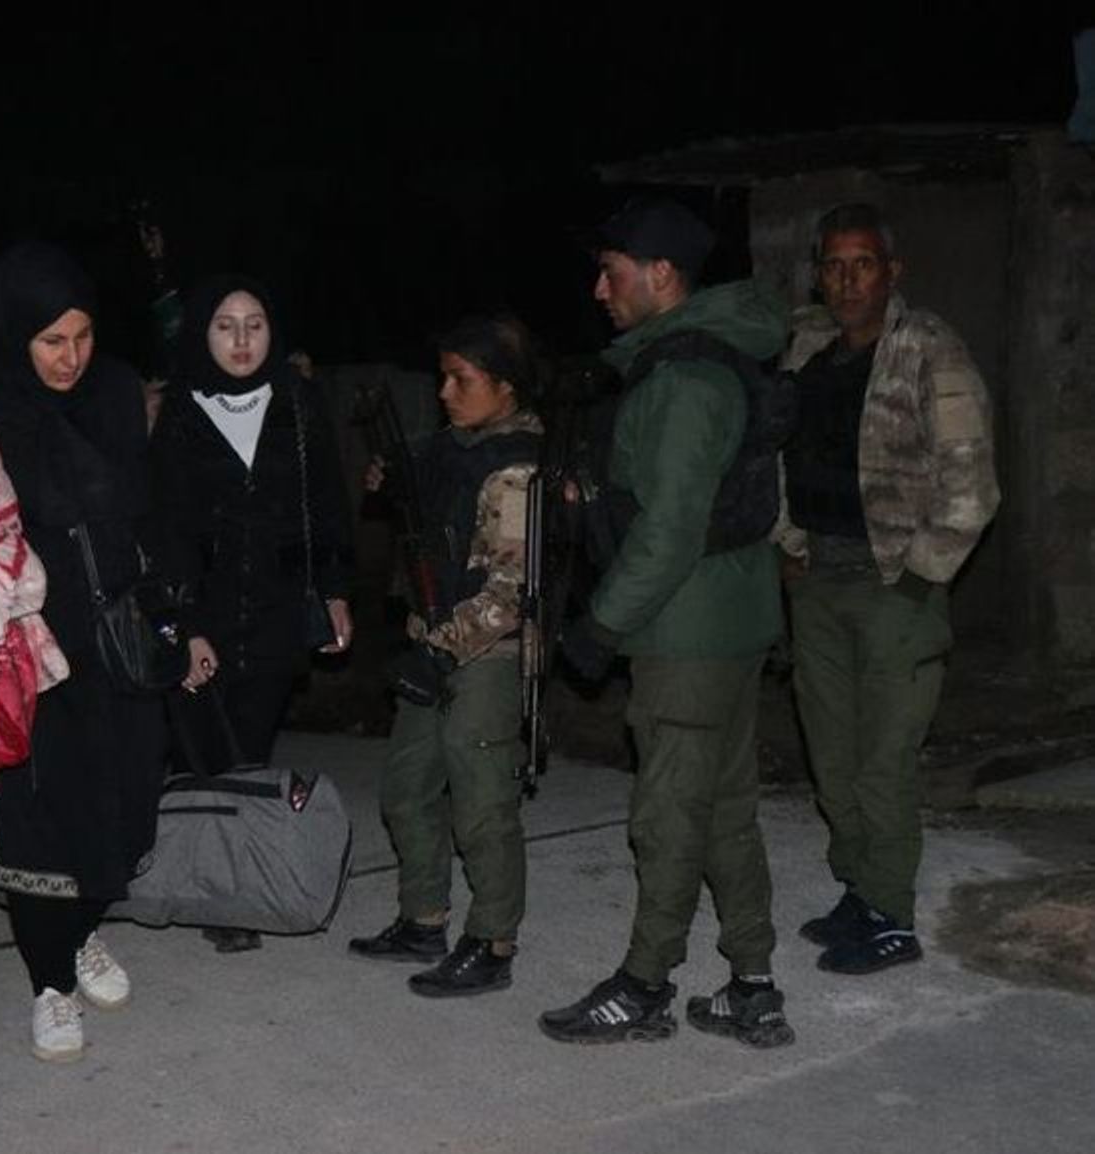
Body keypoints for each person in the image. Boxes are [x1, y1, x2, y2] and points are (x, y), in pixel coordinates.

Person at [543, 197, 796, 1048]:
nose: (598, 289)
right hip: (726, 620)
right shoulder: (699, 361)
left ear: (660, 276)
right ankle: (752, 985)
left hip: (686, 633)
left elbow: (672, 529)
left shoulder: (687, 376)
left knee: (668, 814)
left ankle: (645, 985)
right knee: (724, 808)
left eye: (612, 273)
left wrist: (597, 627)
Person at [0, 241, 169, 1063]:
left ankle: (82, 935)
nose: (71, 357)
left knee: (123, 799)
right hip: (28, 648)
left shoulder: (115, 390)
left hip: (119, 634)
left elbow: (146, 515)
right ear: (16, 335)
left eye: (81, 336)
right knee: (46, 815)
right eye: (51, 341)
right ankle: (49, 982)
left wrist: (177, 620)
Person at [778, 203, 1000, 975]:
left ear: (891, 271)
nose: (846, 280)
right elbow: (778, 456)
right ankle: (860, 890)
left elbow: (973, 486)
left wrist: (921, 575)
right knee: (832, 757)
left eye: (862, 263)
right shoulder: (807, 348)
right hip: (819, 577)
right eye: (833, 265)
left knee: (884, 759)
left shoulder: (929, 350)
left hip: (892, 584)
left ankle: (893, 917)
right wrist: (787, 542)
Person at [150, 274, 355, 953]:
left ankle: (245, 882)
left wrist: (333, 589)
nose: (240, 339)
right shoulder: (179, 410)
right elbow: (164, 524)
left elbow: (326, 501)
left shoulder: (297, 402)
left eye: (254, 323)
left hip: (273, 608)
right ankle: (218, 889)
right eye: (224, 325)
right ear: (203, 334)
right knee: (208, 752)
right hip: (203, 612)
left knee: (250, 750)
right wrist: (186, 623)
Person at [346, 316, 541, 997]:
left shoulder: (517, 467)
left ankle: (492, 941)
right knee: (406, 788)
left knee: (483, 806)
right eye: (443, 377)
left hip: (487, 650)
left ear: (507, 388)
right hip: (434, 639)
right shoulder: (450, 449)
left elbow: (510, 594)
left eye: (464, 379)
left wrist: (443, 649)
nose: (446, 392)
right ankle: (422, 917)